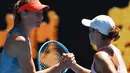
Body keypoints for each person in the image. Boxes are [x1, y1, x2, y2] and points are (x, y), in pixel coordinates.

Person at [0, 0, 75, 73]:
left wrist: (60, 66)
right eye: (37, 13)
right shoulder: (20, 40)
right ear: (23, 14)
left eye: (41, 13)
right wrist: (60, 66)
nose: (41, 17)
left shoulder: (18, 35)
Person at [62, 15, 128, 73]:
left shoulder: (100, 56)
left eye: (90, 30)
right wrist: (73, 65)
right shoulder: (116, 50)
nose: (89, 34)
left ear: (96, 32)